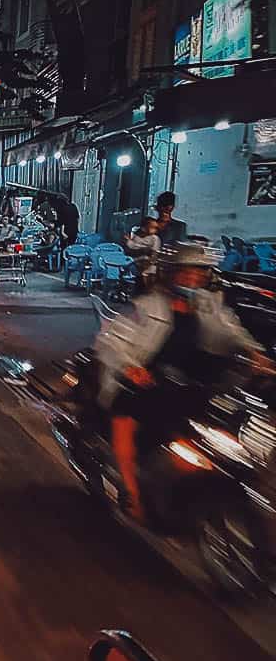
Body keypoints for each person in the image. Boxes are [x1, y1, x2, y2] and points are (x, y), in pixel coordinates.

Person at [95, 241, 270, 522]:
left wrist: (254, 353)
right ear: (171, 272)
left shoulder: (208, 305)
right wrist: (130, 368)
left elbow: (231, 330)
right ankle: (130, 491)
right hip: (146, 381)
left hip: (189, 383)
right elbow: (112, 341)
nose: (193, 278)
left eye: (199, 273)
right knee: (125, 416)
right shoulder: (147, 306)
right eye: (186, 272)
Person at [124, 217, 162, 289]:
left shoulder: (155, 239)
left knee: (151, 270)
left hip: (147, 263)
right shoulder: (134, 236)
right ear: (144, 227)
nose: (156, 230)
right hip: (133, 261)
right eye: (153, 227)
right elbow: (129, 247)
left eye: (156, 228)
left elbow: (154, 254)